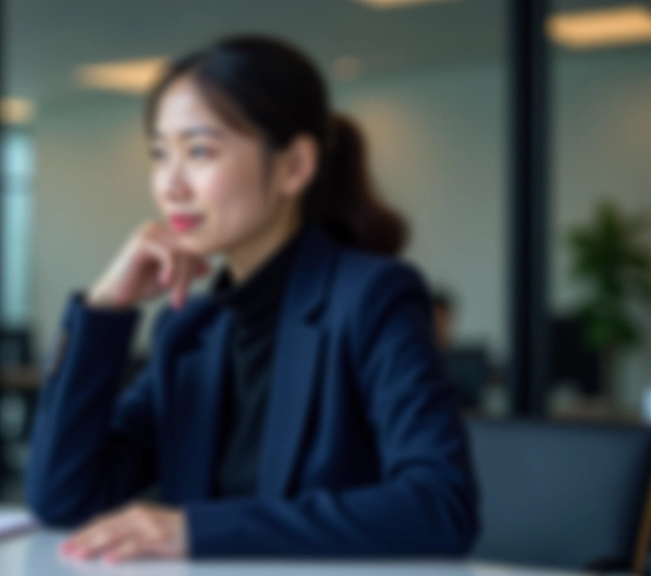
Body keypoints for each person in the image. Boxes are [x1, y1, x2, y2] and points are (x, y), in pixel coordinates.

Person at [26, 35, 478, 563]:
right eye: (159, 153)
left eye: (199, 152)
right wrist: (106, 307)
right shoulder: (189, 330)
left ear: (293, 168)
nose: (170, 186)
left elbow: (440, 507)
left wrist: (197, 531)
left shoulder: (371, 299)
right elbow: (62, 498)